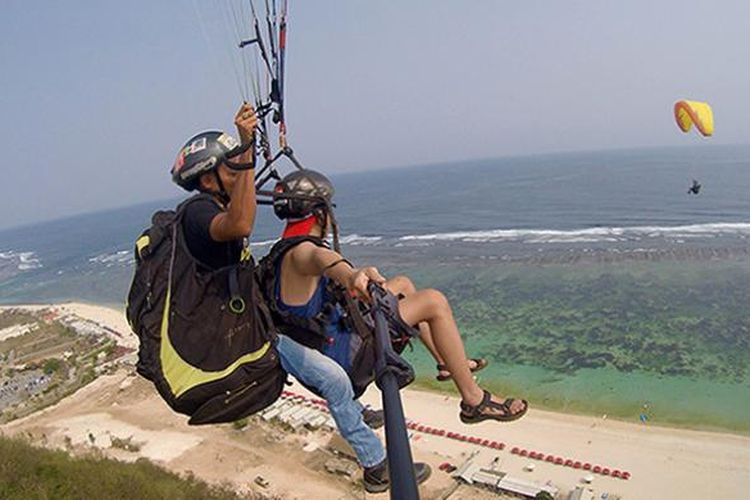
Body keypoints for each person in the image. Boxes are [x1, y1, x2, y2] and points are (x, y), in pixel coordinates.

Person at [172, 105, 429, 494]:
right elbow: (242, 222)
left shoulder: (214, 207)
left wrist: (248, 155)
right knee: (337, 382)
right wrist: (244, 146)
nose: (238, 175)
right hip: (250, 333)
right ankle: (376, 466)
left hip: (256, 320)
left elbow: (243, 212)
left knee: (337, 373)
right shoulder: (198, 212)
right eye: (227, 168)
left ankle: (360, 413)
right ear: (207, 179)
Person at [264, 169, 529, 424]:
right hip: (345, 359)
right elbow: (325, 260)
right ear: (321, 214)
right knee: (434, 301)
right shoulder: (303, 254)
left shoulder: (281, 254)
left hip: (328, 343)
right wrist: (352, 276)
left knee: (403, 284)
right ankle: (474, 400)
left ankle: (445, 363)